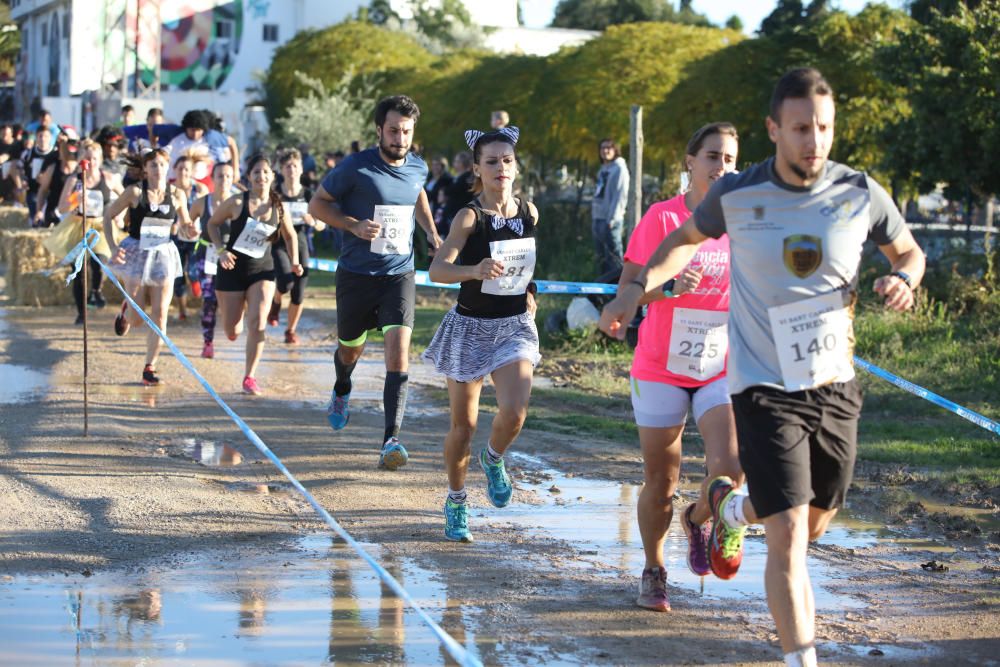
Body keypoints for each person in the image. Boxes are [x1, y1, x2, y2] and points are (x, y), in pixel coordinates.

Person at [599, 68, 926, 667]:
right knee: (788, 534)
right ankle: (798, 656)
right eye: (801, 128)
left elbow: (908, 250)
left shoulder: (858, 192)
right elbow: (682, 242)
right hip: (756, 384)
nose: (814, 140)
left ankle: (729, 510)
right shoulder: (740, 194)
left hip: (833, 383)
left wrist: (904, 277)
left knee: (818, 519)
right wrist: (635, 290)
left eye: (824, 127)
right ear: (775, 128)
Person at [618, 122, 743, 613]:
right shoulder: (662, 218)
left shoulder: (744, 221)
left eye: (731, 159)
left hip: (720, 366)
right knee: (661, 481)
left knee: (730, 470)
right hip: (660, 366)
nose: (721, 167)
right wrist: (669, 287)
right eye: (712, 156)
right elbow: (627, 291)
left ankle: (698, 518)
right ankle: (654, 569)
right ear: (690, 161)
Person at [308, 94, 442, 470]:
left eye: (407, 131)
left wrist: (432, 233)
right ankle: (342, 387)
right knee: (350, 350)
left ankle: (391, 440)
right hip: (356, 274)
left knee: (398, 353)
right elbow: (317, 205)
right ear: (379, 129)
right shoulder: (355, 167)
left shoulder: (417, 166)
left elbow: (417, 194)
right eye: (394, 130)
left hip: (398, 273)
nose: (400, 138)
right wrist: (353, 225)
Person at [422, 126, 539, 542]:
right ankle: (456, 501)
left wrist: (530, 291)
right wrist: (473, 270)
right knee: (463, 426)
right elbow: (438, 270)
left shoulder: (529, 211)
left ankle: (494, 460)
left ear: (515, 165)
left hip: (513, 327)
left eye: (506, 160)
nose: (500, 168)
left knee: (515, 411)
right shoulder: (470, 216)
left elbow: (525, 263)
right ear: (477, 168)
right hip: (470, 328)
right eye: (491, 161)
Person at [206, 153, 302, 395]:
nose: (261, 176)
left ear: (272, 176)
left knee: (258, 323)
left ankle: (249, 376)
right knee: (232, 330)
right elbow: (212, 224)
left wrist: (295, 262)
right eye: (256, 172)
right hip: (231, 270)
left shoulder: (278, 207)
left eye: (265, 172)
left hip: (262, 270)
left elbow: (290, 235)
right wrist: (220, 251)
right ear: (249, 177)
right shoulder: (237, 203)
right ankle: (234, 325)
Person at [102, 148, 197, 386]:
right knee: (137, 319)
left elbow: (184, 224)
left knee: (161, 312)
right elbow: (108, 214)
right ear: (145, 169)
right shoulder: (134, 192)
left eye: (162, 165)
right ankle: (126, 311)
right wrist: (114, 247)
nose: (158, 169)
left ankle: (149, 367)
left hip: (163, 254)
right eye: (153, 165)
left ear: (169, 168)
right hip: (136, 251)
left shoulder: (177, 195)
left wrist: (190, 229)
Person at [45, 139, 125, 323]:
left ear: (100, 159)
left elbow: (126, 198)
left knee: (101, 260)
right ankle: (82, 312)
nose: (91, 161)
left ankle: (96, 291)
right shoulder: (74, 179)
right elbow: (62, 206)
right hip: (78, 225)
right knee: (79, 269)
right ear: (82, 159)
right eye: (87, 158)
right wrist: (75, 200)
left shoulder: (109, 178)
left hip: (101, 226)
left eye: (95, 158)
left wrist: (121, 216)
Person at [267, 148, 325, 344]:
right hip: (278, 242)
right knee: (285, 281)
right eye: (287, 166)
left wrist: (313, 222)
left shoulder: (308, 194)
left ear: (301, 169)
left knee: (298, 292)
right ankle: (276, 302)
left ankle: (290, 330)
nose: (291, 169)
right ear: (282, 170)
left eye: (295, 166)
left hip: (300, 241)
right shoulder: (274, 194)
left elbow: (323, 223)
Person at [188, 161, 238, 359]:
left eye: (228, 176)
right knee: (209, 299)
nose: (224, 180)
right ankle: (208, 341)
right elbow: (186, 223)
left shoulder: (238, 203)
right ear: (213, 178)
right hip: (207, 253)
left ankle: (233, 326)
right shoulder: (202, 202)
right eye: (220, 176)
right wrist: (188, 228)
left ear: (232, 178)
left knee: (230, 299)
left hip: (232, 256)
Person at [170, 155, 210, 321]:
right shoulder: (169, 189)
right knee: (177, 276)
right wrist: (173, 224)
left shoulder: (200, 189)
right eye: (180, 169)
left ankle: (199, 298)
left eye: (187, 169)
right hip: (175, 237)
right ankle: (182, 310)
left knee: (193, 271)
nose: (183, 172)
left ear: (192, 171)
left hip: (195, 237)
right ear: (175, 170)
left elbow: (207, 210)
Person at [592, 138, 630, 277]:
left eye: (609, 147)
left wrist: (613, 218)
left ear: (615, 150)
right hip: (598, 217)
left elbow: (620, 195)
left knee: (614, 258)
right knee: (601, 258)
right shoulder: (603, 169)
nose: (605, 151)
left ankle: (618, 288)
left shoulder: (619, 168)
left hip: (611, 219)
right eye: (602, 148)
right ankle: (603, 294)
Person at [35, 128, 80, 228]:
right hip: (53, 213)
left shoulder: (79, 167)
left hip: (73, 215)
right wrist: (39, 211)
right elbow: (42, 191)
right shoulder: (53, 166)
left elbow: (68, 157)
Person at [437, 151, 475, 239]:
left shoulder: (466, 177)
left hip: (458, 213)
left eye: (457, 161)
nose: (454, 164)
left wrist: (444, 191)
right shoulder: (458, 177)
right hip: (452, 213)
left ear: (463, 163)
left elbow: (452, 191)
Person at [24, 125, 54, 221]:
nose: (43, 139)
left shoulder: (55, 154)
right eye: (40, 136)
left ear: (50, 138)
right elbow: (22, 169)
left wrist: (46, 179)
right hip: (33, 191)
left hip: (50, 192)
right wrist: (24, 180)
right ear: (36, 138)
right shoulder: (29, 153)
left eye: (45, 136)